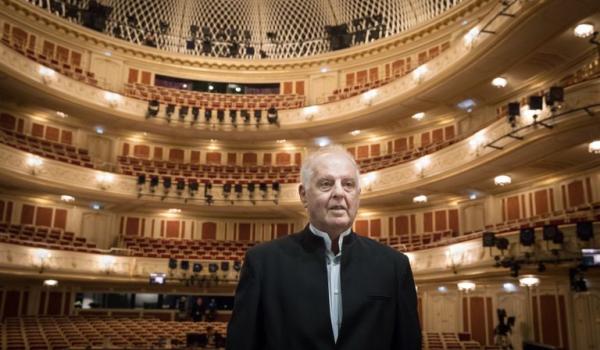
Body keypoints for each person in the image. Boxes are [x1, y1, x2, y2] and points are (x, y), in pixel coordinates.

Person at [226, 145, 421, 350]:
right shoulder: (262, 263)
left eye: (348, 184)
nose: (339, 192)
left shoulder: (394, 266)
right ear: (303, 195)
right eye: (326, 184)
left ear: (358, 195)